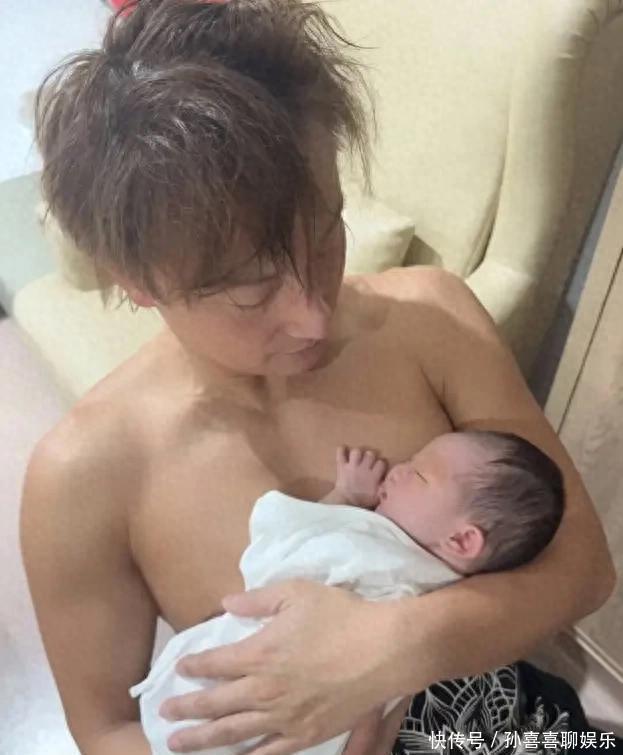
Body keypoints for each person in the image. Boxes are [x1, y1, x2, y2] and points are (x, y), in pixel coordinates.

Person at [20, 2, 614, 755]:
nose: (314, 316)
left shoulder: (432, 318)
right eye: (252, 288)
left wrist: (398, 644)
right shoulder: (84, 476)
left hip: (507, 727)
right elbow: (106, 728)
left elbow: (584, 568)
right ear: (137, 279)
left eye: (329, 230)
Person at [130, 430, 565, 755]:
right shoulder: (435, 580)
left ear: (461, 541)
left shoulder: (379, 551)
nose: (398, 468)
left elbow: (277, 556)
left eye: (418, 474)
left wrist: (345, 497)